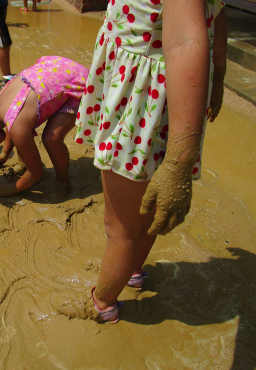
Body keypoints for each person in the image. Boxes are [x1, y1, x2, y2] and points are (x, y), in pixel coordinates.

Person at [63, 0, 227, 323]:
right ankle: (134, 272)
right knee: (150, 206)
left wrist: (179, 164)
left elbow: (186, 41)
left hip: (139, 99)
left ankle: (102, 303)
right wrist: (218, 76)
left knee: (120, 229)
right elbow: (218, 19)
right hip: (171, 101)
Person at [0, 56, 89, 197]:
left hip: (80, 85)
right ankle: (25, 164)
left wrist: (13, 188)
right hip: (58, 68)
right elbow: (12, 123)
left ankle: (62, 181)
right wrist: (5, 152)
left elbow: (36, 172)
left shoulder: (16, 128)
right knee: (22, 132)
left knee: (51, 139)